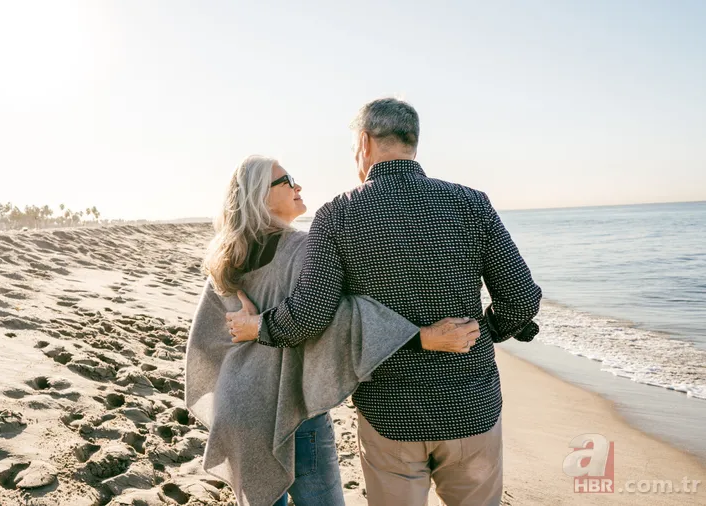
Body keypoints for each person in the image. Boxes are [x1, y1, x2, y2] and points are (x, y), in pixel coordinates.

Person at [226, 99, 542, 506]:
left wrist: (261, 327)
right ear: (414, 142)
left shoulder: (337, 214)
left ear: (364, 141)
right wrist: (483, 331)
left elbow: (310, 316)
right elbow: (522, 299)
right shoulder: (471, 203)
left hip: (390, 413)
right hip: (472, 405)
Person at [185, 154, 481, 506]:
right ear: (259, 195)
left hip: (237, 409)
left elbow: (204, 342)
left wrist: (247, 340)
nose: (298, 186)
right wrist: (422, 336)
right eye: (286, 180)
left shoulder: (226, 256)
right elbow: (340, 317)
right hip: (289, 413)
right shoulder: (304, 248)